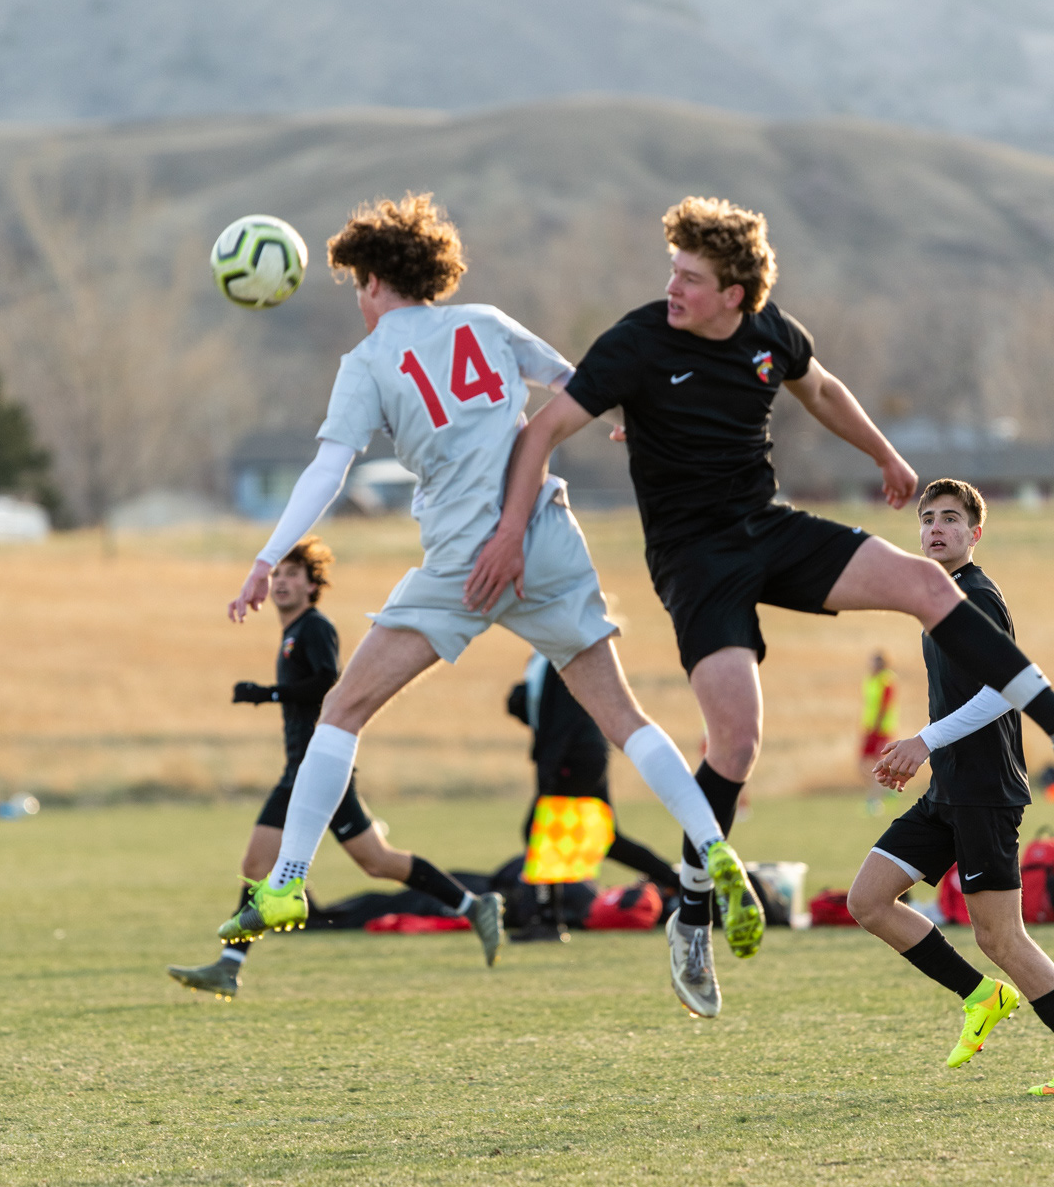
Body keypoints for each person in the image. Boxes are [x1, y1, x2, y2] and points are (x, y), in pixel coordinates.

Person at [463, 194, 1054, 1015]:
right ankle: (691, 915)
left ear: (735, 295)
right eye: (672, 271)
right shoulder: (637, 342)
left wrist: (884, 454)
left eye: (690, 278)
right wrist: (509, 533)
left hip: (767, 529)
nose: (673, 288)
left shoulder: (770, 333)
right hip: (695, 561)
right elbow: (541, 432)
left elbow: (824, 389)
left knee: (928, 587)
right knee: (737, 741)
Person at [220, 192, 763, 1017]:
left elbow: (328, 469)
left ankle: (288, 881)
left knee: (342, 711)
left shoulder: (368, 361)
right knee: (625, 717)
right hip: (547, 538)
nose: (359, 302)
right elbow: (579, 383)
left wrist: (266, 558)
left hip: (463, 562)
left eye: (357, 286)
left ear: (373, 281)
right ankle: (716, 848)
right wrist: (627, 422)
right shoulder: (486, 322)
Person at [171, 538, 504, 997]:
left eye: (293, 575)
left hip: (320, 773)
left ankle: (473, 906)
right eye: (277, 574)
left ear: (312, 586)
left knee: (375, 861)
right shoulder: (293, 632)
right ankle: (229, 966)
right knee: (277, 862)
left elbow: (330, 684)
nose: (282, 582)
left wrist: (268, 694)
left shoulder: (314, 628)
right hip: (298, 771)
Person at [846, 479, 1054, 1091]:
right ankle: (981, 996)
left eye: (951, 519)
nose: (936, 528)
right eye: (928, 518)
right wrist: (920, 749)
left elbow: (1004, 691)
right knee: (868, 901)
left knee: (1001, 937)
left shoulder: (976, 597)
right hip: (948, 790)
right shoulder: (939, 598)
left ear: (974, 532)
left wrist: (924, 741)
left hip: (985, 793)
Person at [507, 651, 682, 939]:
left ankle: (548, 920)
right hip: (580, 754)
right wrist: (520, 701)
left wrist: (555, 764)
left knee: (540, 831)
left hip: (574, 756)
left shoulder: (561, 649)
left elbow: (571, 712)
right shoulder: (539, 658)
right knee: (606, 838)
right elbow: (544, 711)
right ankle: (681, 884)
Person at [860, 651, 899, 813]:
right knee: (862, 764)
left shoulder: (887, 681)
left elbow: (885, 706)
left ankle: (874, 800)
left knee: (877, 764)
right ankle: (887, 786)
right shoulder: (870, 679)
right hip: (869, 728)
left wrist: (876, 727)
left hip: (881, 729)